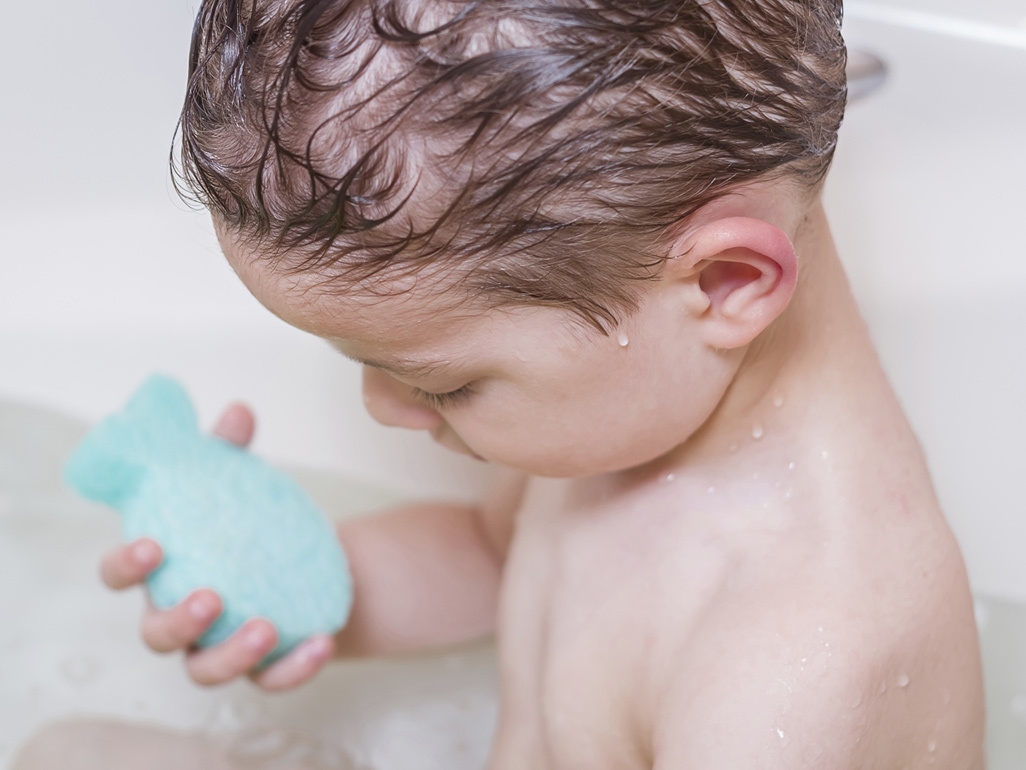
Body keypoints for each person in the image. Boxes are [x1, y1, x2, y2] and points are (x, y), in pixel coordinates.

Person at [100, 0, 985, 766]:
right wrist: (308, 596)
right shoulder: (632, 403)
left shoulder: (801, 671)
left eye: (444, 386)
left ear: (725, 285)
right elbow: (500, 556)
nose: (382, 408)